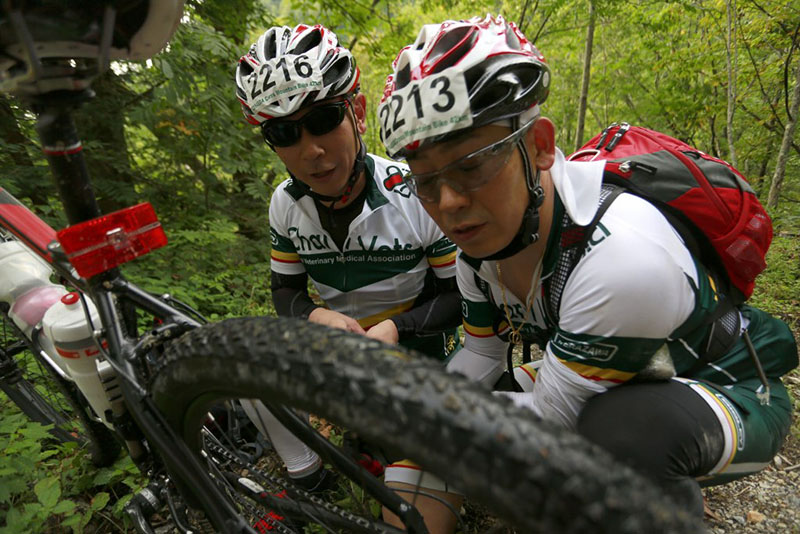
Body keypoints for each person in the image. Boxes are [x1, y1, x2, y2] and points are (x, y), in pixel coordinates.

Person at [378, 13, 798, 523]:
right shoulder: (477, 256)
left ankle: (663, 492)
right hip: (635, 367)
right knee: (454, 411)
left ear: (539, 146)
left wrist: (407, 416)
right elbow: (481, 355)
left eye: (472, 165)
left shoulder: (622, 260)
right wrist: (420, 408)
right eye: (425, 181)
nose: (448, 202)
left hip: (729, 387)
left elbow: (551, 422)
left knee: (616, 435)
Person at [233, 22, 462, 506]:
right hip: (345, 351)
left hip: (418, 353)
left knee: (409, 480)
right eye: (284, 132)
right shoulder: (285, 203)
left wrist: (397, 329)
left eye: (323, 119)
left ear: (357, 112)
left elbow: (458, 296)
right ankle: (309, 477)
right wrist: (317, 315)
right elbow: (285, 291)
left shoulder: (413, 191)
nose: (311, 150)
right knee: (247, 363)